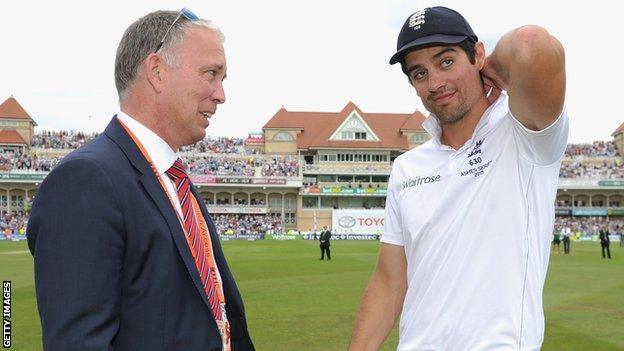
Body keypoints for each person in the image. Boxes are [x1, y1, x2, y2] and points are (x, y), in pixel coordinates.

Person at [27, 9, 254, 351]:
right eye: (211, 74)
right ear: (157, 72)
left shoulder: (175, 180)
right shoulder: (87, 180)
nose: (221, 94)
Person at [350, 6, 567, 350]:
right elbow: (389, 282)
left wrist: (493, 67)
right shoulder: (408, 167)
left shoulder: (524, 134)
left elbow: (532, 43)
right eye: (419, 74)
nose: (435, 83)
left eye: (446, 61)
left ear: (477, 54)